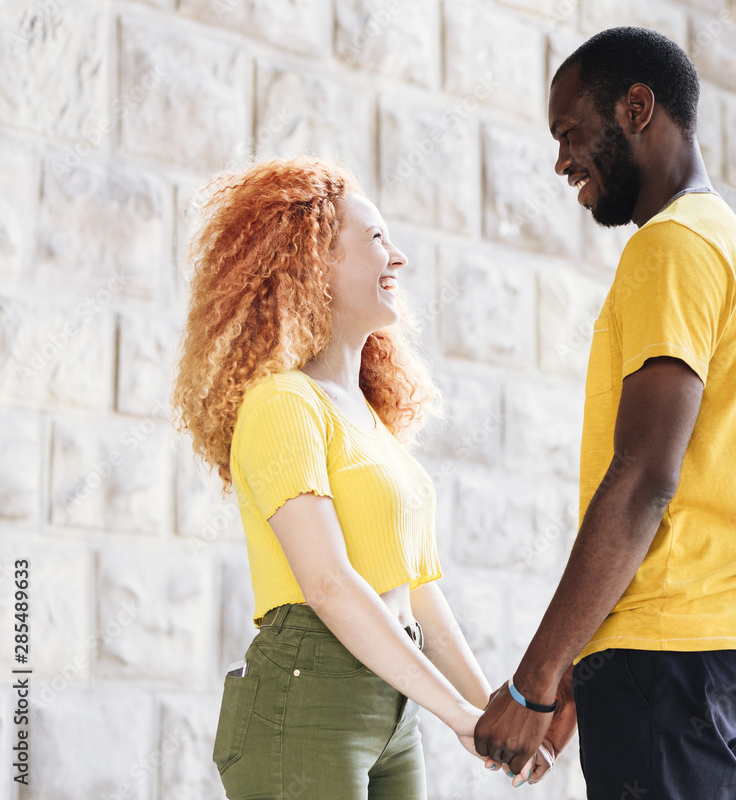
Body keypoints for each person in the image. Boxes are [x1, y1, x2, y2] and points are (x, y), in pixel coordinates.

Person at [474, 26, 736, 799]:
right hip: (706, 644)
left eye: (571, 133)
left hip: (669, 651)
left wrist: (535, 680)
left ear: (637, 107)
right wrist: (583, 661)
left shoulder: (671, 247)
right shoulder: (719, 240)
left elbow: (646, 474)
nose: (561, 161)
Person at [170, 157, 544, 798]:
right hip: (305, 694)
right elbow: (329, 584)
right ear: (313, 262)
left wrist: (490, 711)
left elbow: (418, 591)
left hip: (389, 702)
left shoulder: (374, 427)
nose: (397, 257)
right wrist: (455, 713)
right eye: (376, 240)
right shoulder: (282, 403)